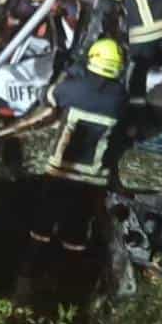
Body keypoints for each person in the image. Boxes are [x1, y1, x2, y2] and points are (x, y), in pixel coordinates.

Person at [16, 38, 129, 301]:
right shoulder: (120, 98)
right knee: (76, 235)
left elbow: (47, 96)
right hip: (91, 180)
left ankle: (25, 289)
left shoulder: (74, 89)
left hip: (61, 173)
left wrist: (72, 71)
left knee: (41, 229)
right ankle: (67, 293)